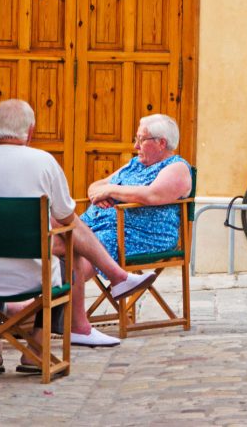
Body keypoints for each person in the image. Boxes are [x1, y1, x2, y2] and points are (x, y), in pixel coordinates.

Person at [0, 99, 156, 374]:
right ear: (31, 131)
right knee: (69, 247)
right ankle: (36, 346)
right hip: (32, 277)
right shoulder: (43, 162)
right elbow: (66, 216)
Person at [71, 114, 193, 330]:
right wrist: (100, 194)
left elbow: (151, 195)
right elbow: (95, 186)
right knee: (61, 236)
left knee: (86, 248)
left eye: (140, 139)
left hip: (141, 236)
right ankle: (33, 305)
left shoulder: (177, 168)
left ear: (161, 143)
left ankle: (44, 313)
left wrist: (110, 190)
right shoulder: (135, 164)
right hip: (100, 225)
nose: (135, 145)